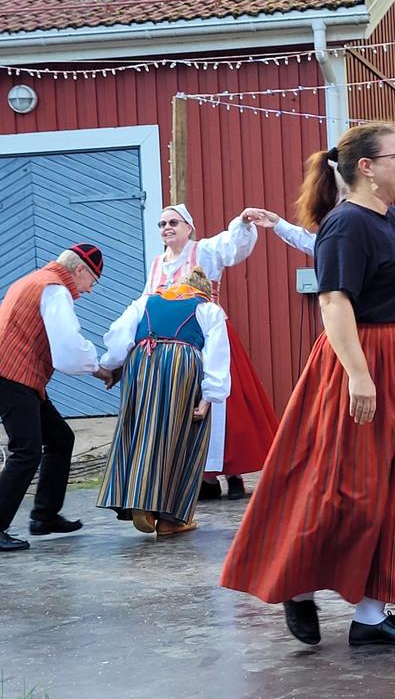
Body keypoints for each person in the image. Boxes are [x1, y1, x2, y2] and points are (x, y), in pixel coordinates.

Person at [220, 124, 395, 647]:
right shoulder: (346, 225)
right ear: (366, 168)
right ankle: (298, 584)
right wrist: (359, 374)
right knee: (347, 489)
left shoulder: (389, 221)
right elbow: (333, 302)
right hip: (367, 363)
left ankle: (371, 615)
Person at [145, 203, 277, 500]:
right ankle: (205, 476)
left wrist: (242, 223)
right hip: (175, 346)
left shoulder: (203, 251)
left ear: (188, 227)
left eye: (173, 222)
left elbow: (233, 247)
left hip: (210, 336)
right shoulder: (156, 264)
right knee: (188, 405)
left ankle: (233, 473)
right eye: (162, 224)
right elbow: (145, 305)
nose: (167, 228)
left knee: (225, 404)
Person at [96, 267, 230, 536]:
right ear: (204, 291)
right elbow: (217, 356)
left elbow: (119, 337)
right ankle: (171, 519)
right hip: (182, 367)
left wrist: (110, 367)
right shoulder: (208, 309)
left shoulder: (146, 301)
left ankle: (137, 498)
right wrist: (208, 398)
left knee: (140, 429)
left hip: (142, 364)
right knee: (183, 437)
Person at [0, 244, 111, 552]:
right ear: (80, 270)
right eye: (92, 281)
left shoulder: (34, 279)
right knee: (26, 451)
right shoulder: (55, 289)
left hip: (19, 375)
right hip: (11, 374)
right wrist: (98, 369)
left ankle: (45, 516)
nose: (89, 290)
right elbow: (67, 349)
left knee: (60, 438)